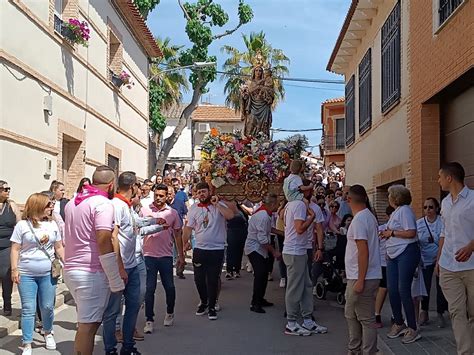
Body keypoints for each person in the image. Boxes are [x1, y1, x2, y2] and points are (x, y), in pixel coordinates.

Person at [63, 166, 125, 355]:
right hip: (91, 273)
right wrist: (115, 278)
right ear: (112, 184)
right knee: (88, 327)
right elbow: (104, 239)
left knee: (85, 324)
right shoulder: (103, 204)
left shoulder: (73, 202)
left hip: (72, 269)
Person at [10, 193, 64, 354]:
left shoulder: (53, 225)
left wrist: (68, 263)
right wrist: (14, 269)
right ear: (37, 206)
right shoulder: (22, 226)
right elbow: (15, 249)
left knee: (47, 306)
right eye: (48, 205)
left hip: (48, 273)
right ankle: (27, 342)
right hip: (26, 273)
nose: (51, 207)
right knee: (28, 308)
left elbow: (59, 247)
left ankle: (48, 332)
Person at [102, 172, 144, 355]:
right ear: (133, 186)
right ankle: (110, 349)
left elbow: (132, 229)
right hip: (120, 267)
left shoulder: (128, 206)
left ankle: (128, 346)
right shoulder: (116, 205)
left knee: (133, 306)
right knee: (112, 311)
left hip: (132, 264)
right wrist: (119, 267)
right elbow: (113, 236)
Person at [182, 182, 234, 321]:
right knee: (199, 279)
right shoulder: (193, 208)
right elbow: (188, 227)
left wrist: (217, 204)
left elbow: (230, 216)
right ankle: (203, 301)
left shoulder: (218, 205)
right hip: (200, 249)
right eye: (199, 192)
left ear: (209, 191)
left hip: (216, 249)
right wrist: (184, 242)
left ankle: (212, 306)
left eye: (204, 191)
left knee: (212, 279)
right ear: (196, 194)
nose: (202, 194)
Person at [437, 162, 474, 355]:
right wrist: (438, 260)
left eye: (440, 177)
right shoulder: (444, 203)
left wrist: (471, 246)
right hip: (448, 267)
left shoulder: (473, 200)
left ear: (449, 178)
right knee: (457, 312)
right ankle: (465, 352)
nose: (438, 180)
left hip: (471, 266)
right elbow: (444, 232)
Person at [141, 184, 184, 333]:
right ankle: (149, 320)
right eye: (156, 195)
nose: (158, 198)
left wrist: (181, 256)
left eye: (161, 195)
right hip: (148, 255)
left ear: (167, 196)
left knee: (169, 287)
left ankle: (170, 312)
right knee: (149, 288)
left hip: (166, 256)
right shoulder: (144, 210)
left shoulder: (173, 213)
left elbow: (178, 235)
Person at [344, 185, 381, 355]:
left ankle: (368, 351)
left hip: (362, 277)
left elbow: (363, 251)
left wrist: (360, 279)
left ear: (349, 200)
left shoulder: (359, 220)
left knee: (366, 318)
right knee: (351, 313)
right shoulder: (369, 217)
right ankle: (355, 348)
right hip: (361, 275)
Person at [381, 185, 420, 344]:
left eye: (390, 195)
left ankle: (413, 327)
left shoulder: (405, 210)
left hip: (406, 252)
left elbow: (411, 232)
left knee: (403, 289)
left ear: (395, 197)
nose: (388, 197)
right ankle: (399, 322)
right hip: (393, 254)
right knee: (393, 289)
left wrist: (392, 233)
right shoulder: (396, 212)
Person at [283, 196, 327, 336]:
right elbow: (299, 229)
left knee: (306, 285)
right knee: (295, 287)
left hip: (300, 250)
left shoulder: (295, 205)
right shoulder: (297, 205)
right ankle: (291, 322)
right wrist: (311, 217)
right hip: (294, 250)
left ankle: (307, 319)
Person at [244, 194, 280, 313]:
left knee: (263, 275)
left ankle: (260, 298)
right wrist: (274, 252)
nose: (279, 206)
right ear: (272, 204)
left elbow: (268, 229)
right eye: (278, 204)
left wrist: (282, 233)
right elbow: (262, 239)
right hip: (255, 248)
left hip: (259, 248)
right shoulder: (263, 216)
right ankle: (255, 303)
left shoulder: (264, 213)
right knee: (260, 275)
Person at [416, 197, 448, 328]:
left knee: (441, 287)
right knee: (425, 287)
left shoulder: (442, 221)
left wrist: (440, 257)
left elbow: (445, 238)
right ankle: (424, 312)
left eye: (430, 207)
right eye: (425, 207)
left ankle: (440, 313)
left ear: (436, 209)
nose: (428, 210)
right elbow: (415, 242)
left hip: (440, 259)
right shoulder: (419, 223)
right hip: (425, 259)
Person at [0, 180, 21, 316]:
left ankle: (7, 303)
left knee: (5, 274)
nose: (8, 191)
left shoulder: (11, 205)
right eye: (5, 189)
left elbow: (19, 224)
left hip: (7, 244)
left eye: (9, 189)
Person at [375, 206, 395, 328]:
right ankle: (377, 314)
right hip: (383, 262)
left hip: (395, 262)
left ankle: (395, 315)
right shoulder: (381, 229)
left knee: (395, 289)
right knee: (383, 289)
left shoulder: (401, 230)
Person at [226, 202, 249, 279]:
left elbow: (249, 215)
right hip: (231, 231)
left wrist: (241, 206)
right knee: (230, 251)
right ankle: (229, 270)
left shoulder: (241, 210)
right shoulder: (228, 210)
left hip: (241, 231)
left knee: (239, 251)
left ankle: (236, 270)